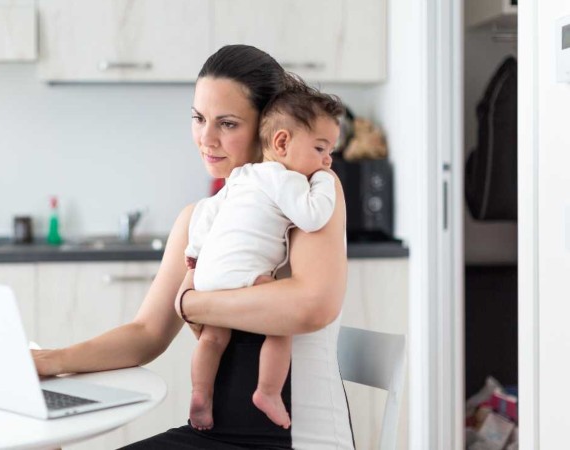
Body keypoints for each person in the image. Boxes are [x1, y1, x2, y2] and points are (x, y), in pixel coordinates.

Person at [32, 44, 353, 449]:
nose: (206, 138)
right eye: (199, 118)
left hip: (298, 440)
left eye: (228, 124)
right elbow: (147, 333)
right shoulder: (199, 218)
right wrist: (49, 362)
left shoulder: (310, 192)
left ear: (270, 129)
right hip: (211, 435)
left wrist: (193, 305)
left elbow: (311, 306)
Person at [183, 86, 344, 431]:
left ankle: (200, 393)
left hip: (208, 274)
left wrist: (194, 256)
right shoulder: (286, 179)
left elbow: (207, 214)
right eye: (321, 149)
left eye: (329, 153)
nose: (327, 161)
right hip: (245, 273)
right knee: (280, 324)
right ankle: (268, 392)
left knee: (213, 337)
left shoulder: (241, 177)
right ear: (282, 143)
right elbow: (312, 216)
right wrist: (324, 182)